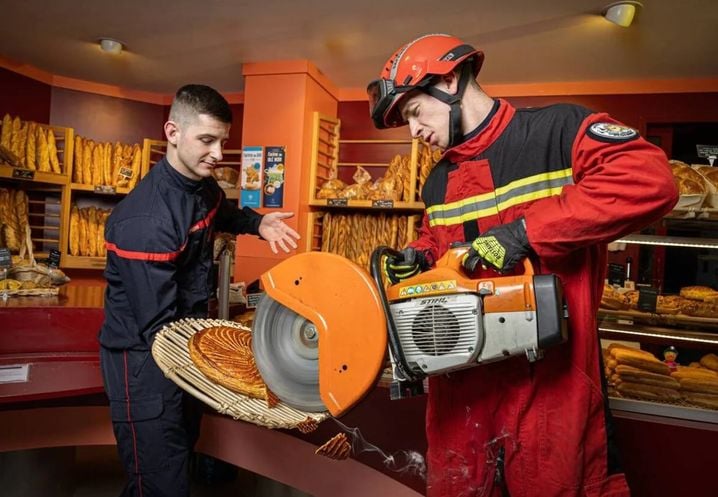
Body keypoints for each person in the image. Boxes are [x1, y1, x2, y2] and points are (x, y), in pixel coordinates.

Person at [368, 34, 678, 497]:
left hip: (551, 385)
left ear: (450, 80)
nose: (414, 133)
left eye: (414, 112)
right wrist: (420, 259)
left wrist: (523, 234)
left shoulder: (558, 131)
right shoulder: (437, 180)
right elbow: (443, 242)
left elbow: (648, 179)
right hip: (460, 390)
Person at [99, 84, 300, 497]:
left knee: (178, 457)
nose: (218, 153)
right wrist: (224, 363)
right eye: (206, 140)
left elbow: (221, 210)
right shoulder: (147, 219)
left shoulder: (202, 185)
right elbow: (160, 325)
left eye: (222, 140)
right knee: (158, 482)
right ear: (173, 132)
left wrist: (258, 223)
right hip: (145, 362)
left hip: (180, 347)